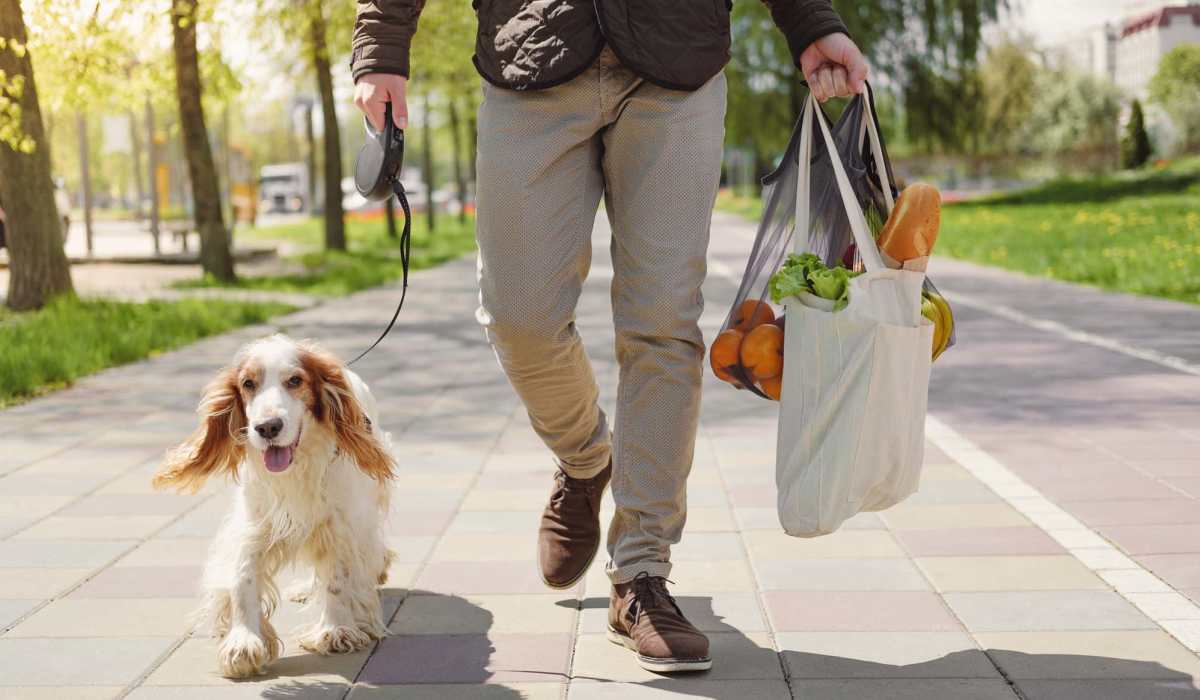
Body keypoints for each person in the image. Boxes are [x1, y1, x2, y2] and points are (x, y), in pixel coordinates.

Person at [351, 0, 867, 673]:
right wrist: (382, 45)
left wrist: (811, 23)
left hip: (676, 57)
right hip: (530, 52)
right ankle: (585, 456)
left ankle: (642, 573)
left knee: (664, 322)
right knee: (519, 318)